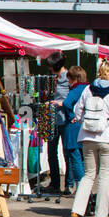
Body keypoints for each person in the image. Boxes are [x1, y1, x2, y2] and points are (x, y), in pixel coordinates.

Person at [69, 60, 109, 217]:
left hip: (87, 136)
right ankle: (100, 214)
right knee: (104, 176)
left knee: (88, 175)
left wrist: (85, 122)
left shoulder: (89, 89)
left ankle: (77, 210)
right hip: (108, 137)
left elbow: (77, 109)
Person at [61, 65, 90, 191]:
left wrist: (72, 115)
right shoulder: (89, 88)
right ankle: (84, 186)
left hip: (73, 127)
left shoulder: (76, 89)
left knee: (74, 157)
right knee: (83, 157)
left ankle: (80, 186)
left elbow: (67, 103)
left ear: (74, 79)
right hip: (85, 125)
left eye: (69, 80)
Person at [45, 52, 69, 193]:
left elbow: (75, 98)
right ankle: (55, 183)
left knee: (67, 152)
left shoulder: (68, 78)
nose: (49, 69)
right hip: (53, 119)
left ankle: (68, 184)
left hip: (65, 119)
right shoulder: (54, 78)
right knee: (51, 152)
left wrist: (61, 103)